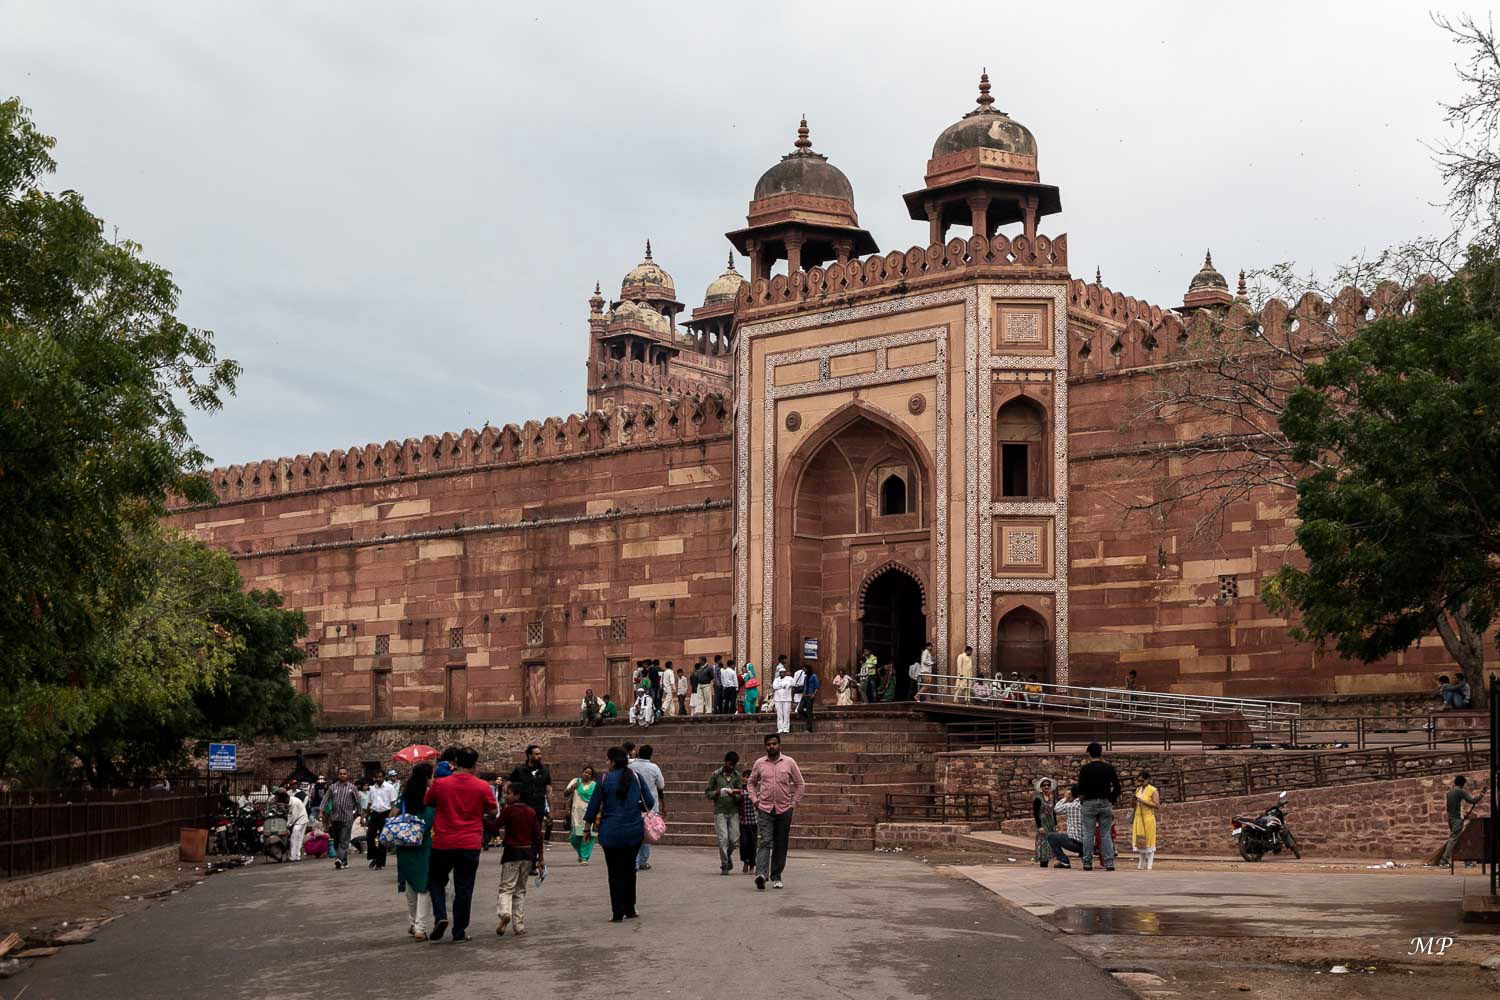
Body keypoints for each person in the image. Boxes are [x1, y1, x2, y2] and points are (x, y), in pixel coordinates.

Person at [423, 746, 497, 943]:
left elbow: (428, 801)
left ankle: (440, 915)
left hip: (444, 841)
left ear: (455, 762)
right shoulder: (482, 786)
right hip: (470, 842)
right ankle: (459, 931)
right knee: (464, 888)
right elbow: (493, 812)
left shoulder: (441, 783)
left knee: (436, 880)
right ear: (475, 764)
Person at [584, 746, 655, 922]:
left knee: (614, 873)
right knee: (630, 870)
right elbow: (650, 801)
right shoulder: (636, 778)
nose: (606, 763)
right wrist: (632, 808)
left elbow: (593, 806)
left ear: (613, 761)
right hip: (633, 830)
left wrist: (587, 828)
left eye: (607, 760)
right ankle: (630, 908)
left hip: (611, 832)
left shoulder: (604, 778)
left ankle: (617, 912)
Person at [749, 733, 805, 890]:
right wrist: (755, 800)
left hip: (784, 809)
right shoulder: (759, 763)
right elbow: (751, 783)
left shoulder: (789, 762)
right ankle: (761, 874)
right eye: (768, 744)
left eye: (774, 744)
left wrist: (793, 803)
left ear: (779, 745)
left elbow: (800, 784)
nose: (771, 746)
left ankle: (776, 876)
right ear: (765, 746)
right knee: (765, 840)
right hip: (764, 808)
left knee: (781, 843)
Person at [494, 781, 545, 937]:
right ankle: (519, 925)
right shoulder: (530, 811)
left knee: (506, 888)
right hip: (528, 854)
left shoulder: (509, 811)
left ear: (517, 795)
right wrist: (541, 857)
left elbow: (494, 827)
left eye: (508, 793)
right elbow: (537, 836)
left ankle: (504, 913)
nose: (506, 796)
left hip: (512, 853)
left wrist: (482, 819)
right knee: (520, 890)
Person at [395, 762, 436, 939]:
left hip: (404, 842)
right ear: (427, 777)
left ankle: (413, 922)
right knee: (424, 886)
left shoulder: (404, 795)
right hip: (424, 843)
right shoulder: (429, 796)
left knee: (410, 884)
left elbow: (392, 815)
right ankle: (420, 926)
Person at [1076, 741, 1121, 871]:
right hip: (1105, 802)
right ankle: (1109, 862)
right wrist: (1111, 799)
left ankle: (1087, 862)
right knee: (1105, 834)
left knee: (1088, 834)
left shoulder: (1085, 769)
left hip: (1089, 802)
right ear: (1101, 753)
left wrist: (1083, 800)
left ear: (1089, 753)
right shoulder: (1108, 768)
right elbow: (1117, 786)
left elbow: (1080, 788)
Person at [705, 752, 746, 875]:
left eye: (734, 764)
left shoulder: (737, 776)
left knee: (733, 839)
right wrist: (717, 792)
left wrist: (734, 794)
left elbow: (741, 794)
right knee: (723, 839)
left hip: (733, 811)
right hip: (720, 811)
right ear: (725, 761)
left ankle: (727, 855)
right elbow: (707, 793)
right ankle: (724, 865)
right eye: (730, 763)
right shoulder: (716, 775)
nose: (731, 766)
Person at [629, 745, 666, 871]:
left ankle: (635, 861)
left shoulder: (631, 766)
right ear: (650, 755)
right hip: (650, 804)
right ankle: (643, 861)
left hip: (633, 804)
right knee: (648, 831)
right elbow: (661, 784)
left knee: (634, 833)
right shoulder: (654, 767)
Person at [1440, 775, 1485, 866]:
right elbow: (1472, 801)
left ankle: (1467, 861)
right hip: (1457, 820)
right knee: (1454, 839)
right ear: (1463, 783)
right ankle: (1444, 861)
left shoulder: (1450, 792)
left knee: (1459, 839)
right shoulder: (1460, 791)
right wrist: (1481, 794)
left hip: (1451, 819)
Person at [321, 767, 360, 870]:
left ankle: (338, 859)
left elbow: (358, 802)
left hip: (347, 818)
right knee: (337, 841)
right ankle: (344, 861)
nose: (342, 775)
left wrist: (358, 814)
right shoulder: (333, 787)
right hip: (335, 818)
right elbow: (325, 799)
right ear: (338, 775)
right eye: (340, 774)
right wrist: (321, 811)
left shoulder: (352, 788)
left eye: (344, 774)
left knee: (344, 840)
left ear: (347, 775)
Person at [509, 745, 553, 833]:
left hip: (538, 808)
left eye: (540, 754)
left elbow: (549, 791)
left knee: (536, 833)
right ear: (529, 755)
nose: (539, 756)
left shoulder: (544, 771)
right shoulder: (519, 770)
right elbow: (510, 787)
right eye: (536, 754)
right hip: (522, 808)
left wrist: (551, 810)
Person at [367, 769, 399, 871]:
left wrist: (392, 816)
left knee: (382, 839)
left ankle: (380, 863)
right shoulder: (372, 788)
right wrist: (365, 816)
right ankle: (375, 856)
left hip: (386, 813)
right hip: (374, 813)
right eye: (377, 777)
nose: (378, 779)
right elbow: (369, 803)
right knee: (370, 836)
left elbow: (394, 803)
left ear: (384, 777)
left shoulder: (389, 788)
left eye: (380, 777)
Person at [1046, 785, 1084, 868]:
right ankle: (1085, 859)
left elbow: (1057, 809)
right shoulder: (1088, 805)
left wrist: (1065, 798)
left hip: (1075, 844)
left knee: (1051, 836)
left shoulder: (1071, 806)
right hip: (1089, 843)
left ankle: (1064, 861)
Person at [565, 766, 597, 863]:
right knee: (574, 838)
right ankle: (580, 852)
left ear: (591, 776)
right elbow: (565, 794)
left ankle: (584, 857)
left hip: (590, 814)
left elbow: (597, 799)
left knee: (589, 836)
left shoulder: (595, 785)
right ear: (582, 772)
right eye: (585, 772)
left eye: (589, 773)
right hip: (576, 815)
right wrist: (572, 788)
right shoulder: (576, 781)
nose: (586, 774)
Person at [1132, 770, 1160, 870]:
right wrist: (1134, 801)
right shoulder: (1138, 790)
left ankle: (1150, 863)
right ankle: (1141, 862)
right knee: (1140, 840)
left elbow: (1157, 805)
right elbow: (1133, 806)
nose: (1140, 783)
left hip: (1148, 817)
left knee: (1149, 840)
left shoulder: (1153, 790)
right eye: (1139, 781)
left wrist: (1143, 801)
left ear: (1147, 780)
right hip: (1139, 817)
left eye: (1142, 781)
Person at [738, 763, 759, 874]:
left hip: (753, 822)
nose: (746, 779)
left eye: (748, 777)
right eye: (744, 776)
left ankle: (752, 864)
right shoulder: (739, 790)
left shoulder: (755, 791)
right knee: (744, 843)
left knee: (752, 844)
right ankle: (745, 862)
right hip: (743, 822)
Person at [1032, 778, 1057, 868]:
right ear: (1041, 787)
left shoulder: (1051, 797)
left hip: (1051, 823)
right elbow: (1035, 813)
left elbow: (1053, 811)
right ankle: (1043, 863)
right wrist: (1039, 826)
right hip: (1043, 823)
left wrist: (1056, 824)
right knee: (1043, 843)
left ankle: (1048, 861)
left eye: (1048, 785)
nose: (1046, 786)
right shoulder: (1038, 799)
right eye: (1044, 785)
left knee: (1051, 842)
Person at [286, 783, 309, 862]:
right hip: (300, 819)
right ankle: (296, 856)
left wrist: (288, 825)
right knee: (298, 838)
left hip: (301, 819)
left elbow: (294, 816)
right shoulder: (291, 799)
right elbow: (290, 815)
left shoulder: (294, 802)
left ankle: (294, 856)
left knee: (295, 837)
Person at [771, 664, 795, 734]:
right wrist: (783, 685)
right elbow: (774, 687)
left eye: (783, 672)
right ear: (779, 673)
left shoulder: (789, 678)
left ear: (785, 672)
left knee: (786, 714)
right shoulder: (776, 679)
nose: (782, 673)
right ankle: (780, 728)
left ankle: (786, 729)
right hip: (778, 699)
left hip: (787, 699)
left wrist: (783, 685)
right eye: (781, 672)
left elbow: (793, 684)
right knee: (779, 714)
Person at [798, 668, 821, 732]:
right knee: (799, 710)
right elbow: (805, 686)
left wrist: (814, 694)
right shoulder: (805, 677)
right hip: (804, 696)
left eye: (805, 669)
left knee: (809, 711)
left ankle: (809, 728)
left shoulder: (814, 676)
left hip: (810, 696)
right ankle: (810, 718)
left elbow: (817, 686)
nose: (804, 671)